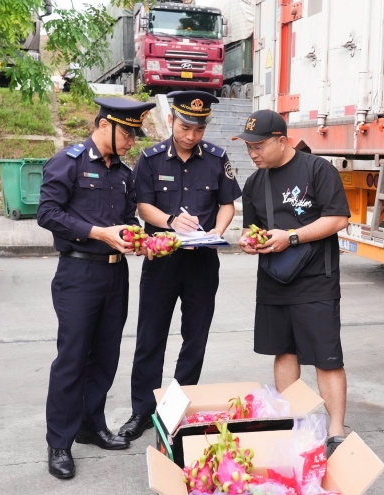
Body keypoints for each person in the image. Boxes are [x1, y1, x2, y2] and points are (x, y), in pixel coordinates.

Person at [37, 97, 156, 480]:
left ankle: (91, 425)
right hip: (78, 274)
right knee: (72, 358)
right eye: (127, 133)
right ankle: (59, 442)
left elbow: (125, 217)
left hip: (114, 274)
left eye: (136, 135)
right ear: (105, 125)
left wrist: (134, 236)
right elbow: (47, 213)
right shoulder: (68, 162)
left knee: (105, 355)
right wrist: (96, 232)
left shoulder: (123, 173)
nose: (131, 141)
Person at [118, 90, 242, 440]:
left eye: (199, 129)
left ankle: (176, 410)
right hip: (162, 261)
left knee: (195, 339)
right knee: (150, 338)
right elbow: (144, 206)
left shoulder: (217, 159)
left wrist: (217, 232)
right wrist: (171, 221)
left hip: (202, 262)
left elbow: (227, 204)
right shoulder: (151, 159)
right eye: (186, 127)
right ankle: (141, 411)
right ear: (171, 120)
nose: (191, 136)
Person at [234, 109, 351, 458]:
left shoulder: (317, 170)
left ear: (281, 140)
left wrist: (293, 237)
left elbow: (338, 218)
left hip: (316, 279)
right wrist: (246, 241)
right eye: (248, 147)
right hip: (273, 279)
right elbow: (249, 227)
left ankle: (335, 431)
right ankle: (293, 423)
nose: (252, 153)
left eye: (258, 146)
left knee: (326, 357)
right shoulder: (255, 182)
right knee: (283, 351)